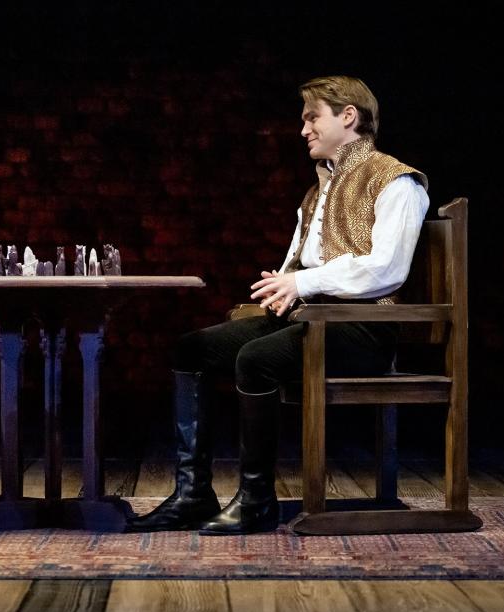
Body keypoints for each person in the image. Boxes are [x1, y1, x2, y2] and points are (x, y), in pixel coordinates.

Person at [127, 76, 429, 535]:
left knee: (257, 359)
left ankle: (256, 501)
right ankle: (193, 495)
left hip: (364, 328)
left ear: (348, 116)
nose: (304, 129)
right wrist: (284, 281)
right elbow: (301, 260)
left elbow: (387, 269)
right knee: (192, 348)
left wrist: (303, 280)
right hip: (311, 320)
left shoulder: (397, 181)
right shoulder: (317, 191)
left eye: (312, 117)